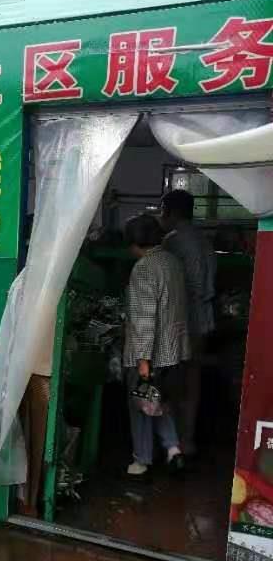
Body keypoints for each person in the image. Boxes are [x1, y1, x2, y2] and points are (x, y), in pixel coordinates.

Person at [124, 214, 190, 476]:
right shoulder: (172, 261)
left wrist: (142, 361)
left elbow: (143, 319)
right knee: (159, 401)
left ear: (134, 243)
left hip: (151, 352)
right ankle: (173, 450)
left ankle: (141, 461)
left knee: (141, 402)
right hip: (173, 350)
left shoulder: (144, 268)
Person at [161, 189, 216, 458]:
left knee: (174, 382)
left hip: (181, 319)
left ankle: (174, 442)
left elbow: (181, 285)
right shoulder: (204, 240)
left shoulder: (174, 241)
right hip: (203, 319)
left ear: (171, 212)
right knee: (192, 382)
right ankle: (187, 439)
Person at [19, 312, 55, 516]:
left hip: (35, 367)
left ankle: (29, 501)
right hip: (35, 367)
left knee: (32, 438)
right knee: (34, 438)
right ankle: (28, 500)